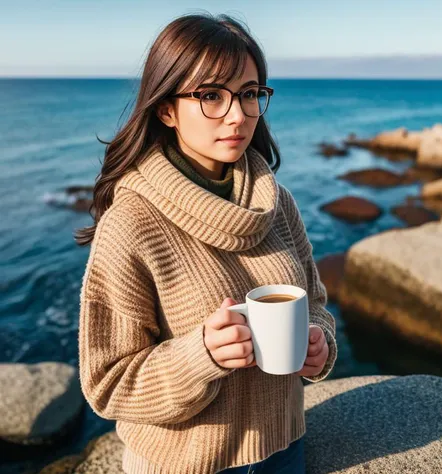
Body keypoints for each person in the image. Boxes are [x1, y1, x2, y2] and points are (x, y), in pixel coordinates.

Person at [75, 12, 337, 474]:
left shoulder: (279, 203)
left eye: (250, 94)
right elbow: (107, 385)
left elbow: (315, 303)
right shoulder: (131, 224)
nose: (237, 114)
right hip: (185, 465)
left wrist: (319, 344)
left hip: (285, 449)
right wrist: (201, 356)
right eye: (211, 95)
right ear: (166, 108)